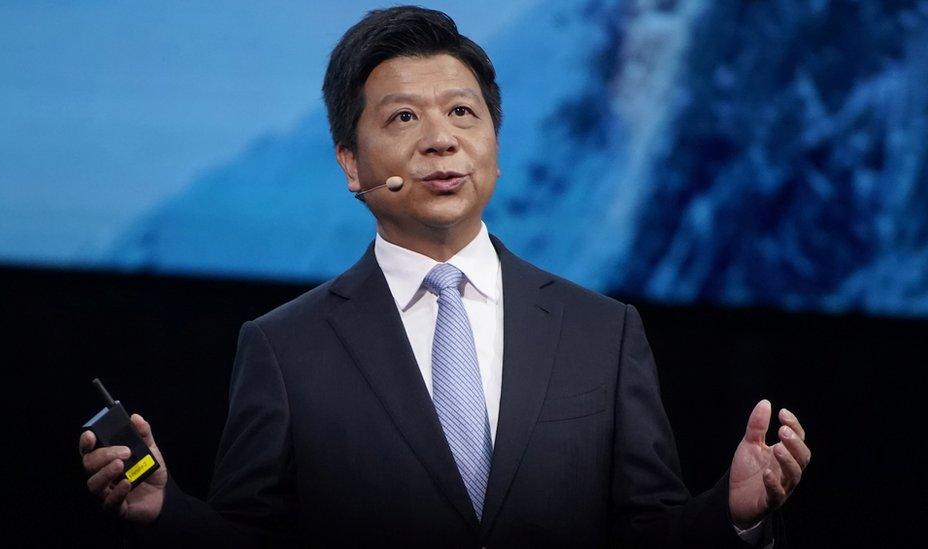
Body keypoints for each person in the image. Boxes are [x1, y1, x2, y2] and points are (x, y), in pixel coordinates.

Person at [79, 6, 810, 547]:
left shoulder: (603, 332)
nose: (440, 139)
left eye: (463, 112)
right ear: (350, 165)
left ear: (494, 148)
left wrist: (733, 512)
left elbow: (650, 536)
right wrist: (165, 510)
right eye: (402, 119)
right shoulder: (284, 348)